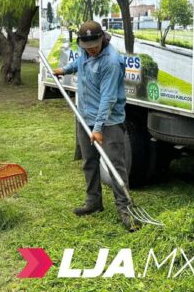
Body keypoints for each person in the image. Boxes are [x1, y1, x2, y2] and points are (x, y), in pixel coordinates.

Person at [52, 20, 137, 231]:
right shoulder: (86, 51)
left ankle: (125, 208)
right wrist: (64, 70)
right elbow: (80, 63)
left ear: (102, 39)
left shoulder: (111, 61)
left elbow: (108, 99)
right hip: (85, 116)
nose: (91, 50)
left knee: (115, 165)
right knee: (89, 161)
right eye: (87, 47)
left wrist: (98, 128)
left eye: (95, 46)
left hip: (108, 121)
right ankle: (93, 202)